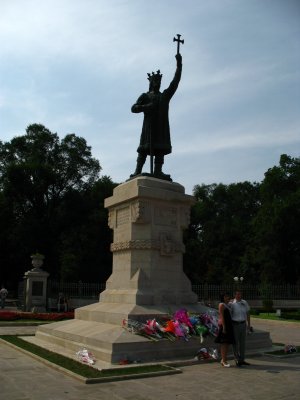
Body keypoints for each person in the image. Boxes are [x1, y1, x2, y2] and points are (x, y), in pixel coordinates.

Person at [130, 52, 182, 181]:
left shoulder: (164, 96)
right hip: (148, 127)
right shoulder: (145, 96)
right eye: (156, 81)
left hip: (161, 127)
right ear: (151, 82)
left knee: (160, 149)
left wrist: (179, 65)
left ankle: (158, 171)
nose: (158, 83)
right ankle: (137, 171)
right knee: (143, 149)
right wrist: (146, 107)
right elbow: (133, 108)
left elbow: (175, 82)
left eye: (159, 81)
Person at [230, 289, 251, 366]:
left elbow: (248, 314)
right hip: (235, 325)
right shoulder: (232, 304)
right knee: (235, 343)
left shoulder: (244, 302)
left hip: (243, 324)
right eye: (237, 294)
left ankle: (242, 359)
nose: (239, 295)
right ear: (234, 295)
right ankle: (237, 359)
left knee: (242, 343)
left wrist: (248, 325)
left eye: (240, 294)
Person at [215, 293, 235, 367]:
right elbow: (222, 316)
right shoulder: (222, 305)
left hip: (229, 325)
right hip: (224, 325)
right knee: (224, 343)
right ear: (222, 298)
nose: (227, 297)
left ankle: (223, 359)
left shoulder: (228, 304)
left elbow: (233, 301)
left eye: (228, 296)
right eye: (225, 296)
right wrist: (224, 327)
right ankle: (224, 360)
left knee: (227, 343)